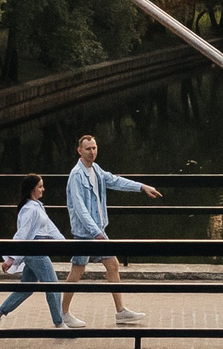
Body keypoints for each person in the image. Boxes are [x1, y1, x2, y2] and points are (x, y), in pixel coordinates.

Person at [60, 133, 161, 326]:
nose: (92, 152)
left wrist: (141, 187)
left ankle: (120, 311)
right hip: (86, 234)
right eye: (88, 149)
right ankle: (63, 313)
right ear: (79, 150)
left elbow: (115, 181)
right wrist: (96, 233)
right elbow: (80, 209)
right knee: (77, 271)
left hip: (97, 231)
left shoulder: (96, 170)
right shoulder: (76, 175)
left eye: (94, 148)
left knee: (112, 265)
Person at [0, 175, 84, 332]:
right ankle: (59, 323)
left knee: (27, 287)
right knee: (53, 286)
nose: (43, 189)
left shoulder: (37, 207)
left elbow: (50, 229)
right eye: (40, 187)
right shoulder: (30, 209)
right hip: (36, 252)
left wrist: (65, 244)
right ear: (32, 189)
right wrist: (11, 258)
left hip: (37, 250)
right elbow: (22, 234)